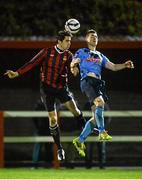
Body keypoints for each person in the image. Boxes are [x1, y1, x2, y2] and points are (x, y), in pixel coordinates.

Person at [4, 30, 86, 161]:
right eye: (67, 41)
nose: (69, 43)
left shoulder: (69, 55)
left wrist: (75, 69)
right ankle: (60, 149)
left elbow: (73, 67)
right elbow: (32, 63)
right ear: (59, 41)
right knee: (53, 119)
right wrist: (17, 73)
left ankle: (84, 133)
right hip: (47, 89)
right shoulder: (46, 52)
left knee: (75, 110)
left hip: (61, 88)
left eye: (70, 41)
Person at [70, 29, 134, 157]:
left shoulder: (100, 55)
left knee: (95, 118)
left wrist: (125, 65)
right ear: (87, 39)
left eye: (96, 36)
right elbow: (73, 62)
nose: (94, 38)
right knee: (100, 102)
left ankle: (80, 140)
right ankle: (102, 132)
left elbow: (113, 67)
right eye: (92, 36)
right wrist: (73, 67)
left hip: (97, 83)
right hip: (87, 81)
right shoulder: (82, 52)